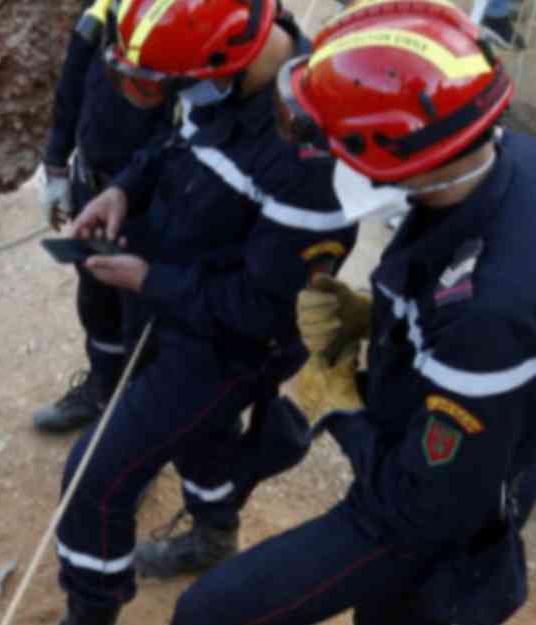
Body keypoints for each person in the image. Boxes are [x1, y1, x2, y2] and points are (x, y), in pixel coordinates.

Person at [169, 3, 536, 625]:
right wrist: (381, 318)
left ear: (404, 157)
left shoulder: (487, 315)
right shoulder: (505, 160)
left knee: (210, 614)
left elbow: (424, 506)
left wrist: (340, 404)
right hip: (459, 434)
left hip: (433, 517)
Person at [51, 1, 358, 623]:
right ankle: (214, 534)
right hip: (177, 304)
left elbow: (262, 311)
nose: (171, 95)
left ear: (221, 62)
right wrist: (123, 190)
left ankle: (90, 613)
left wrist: (149, 280)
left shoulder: (308, 158)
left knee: (95, 477)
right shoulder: (221, 80)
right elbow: (173, 145)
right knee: (203, 439)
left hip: (228, 345)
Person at [33, 0, 174, 433]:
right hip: (92, 186)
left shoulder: (192, 23)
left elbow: (184, 131)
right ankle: (102, 387)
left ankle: (135, 429)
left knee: (144, 322)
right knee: (96, 299)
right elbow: (74, 78)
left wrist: (129, 189)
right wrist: (56, 163)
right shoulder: (109, 10)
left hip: (150, 202)